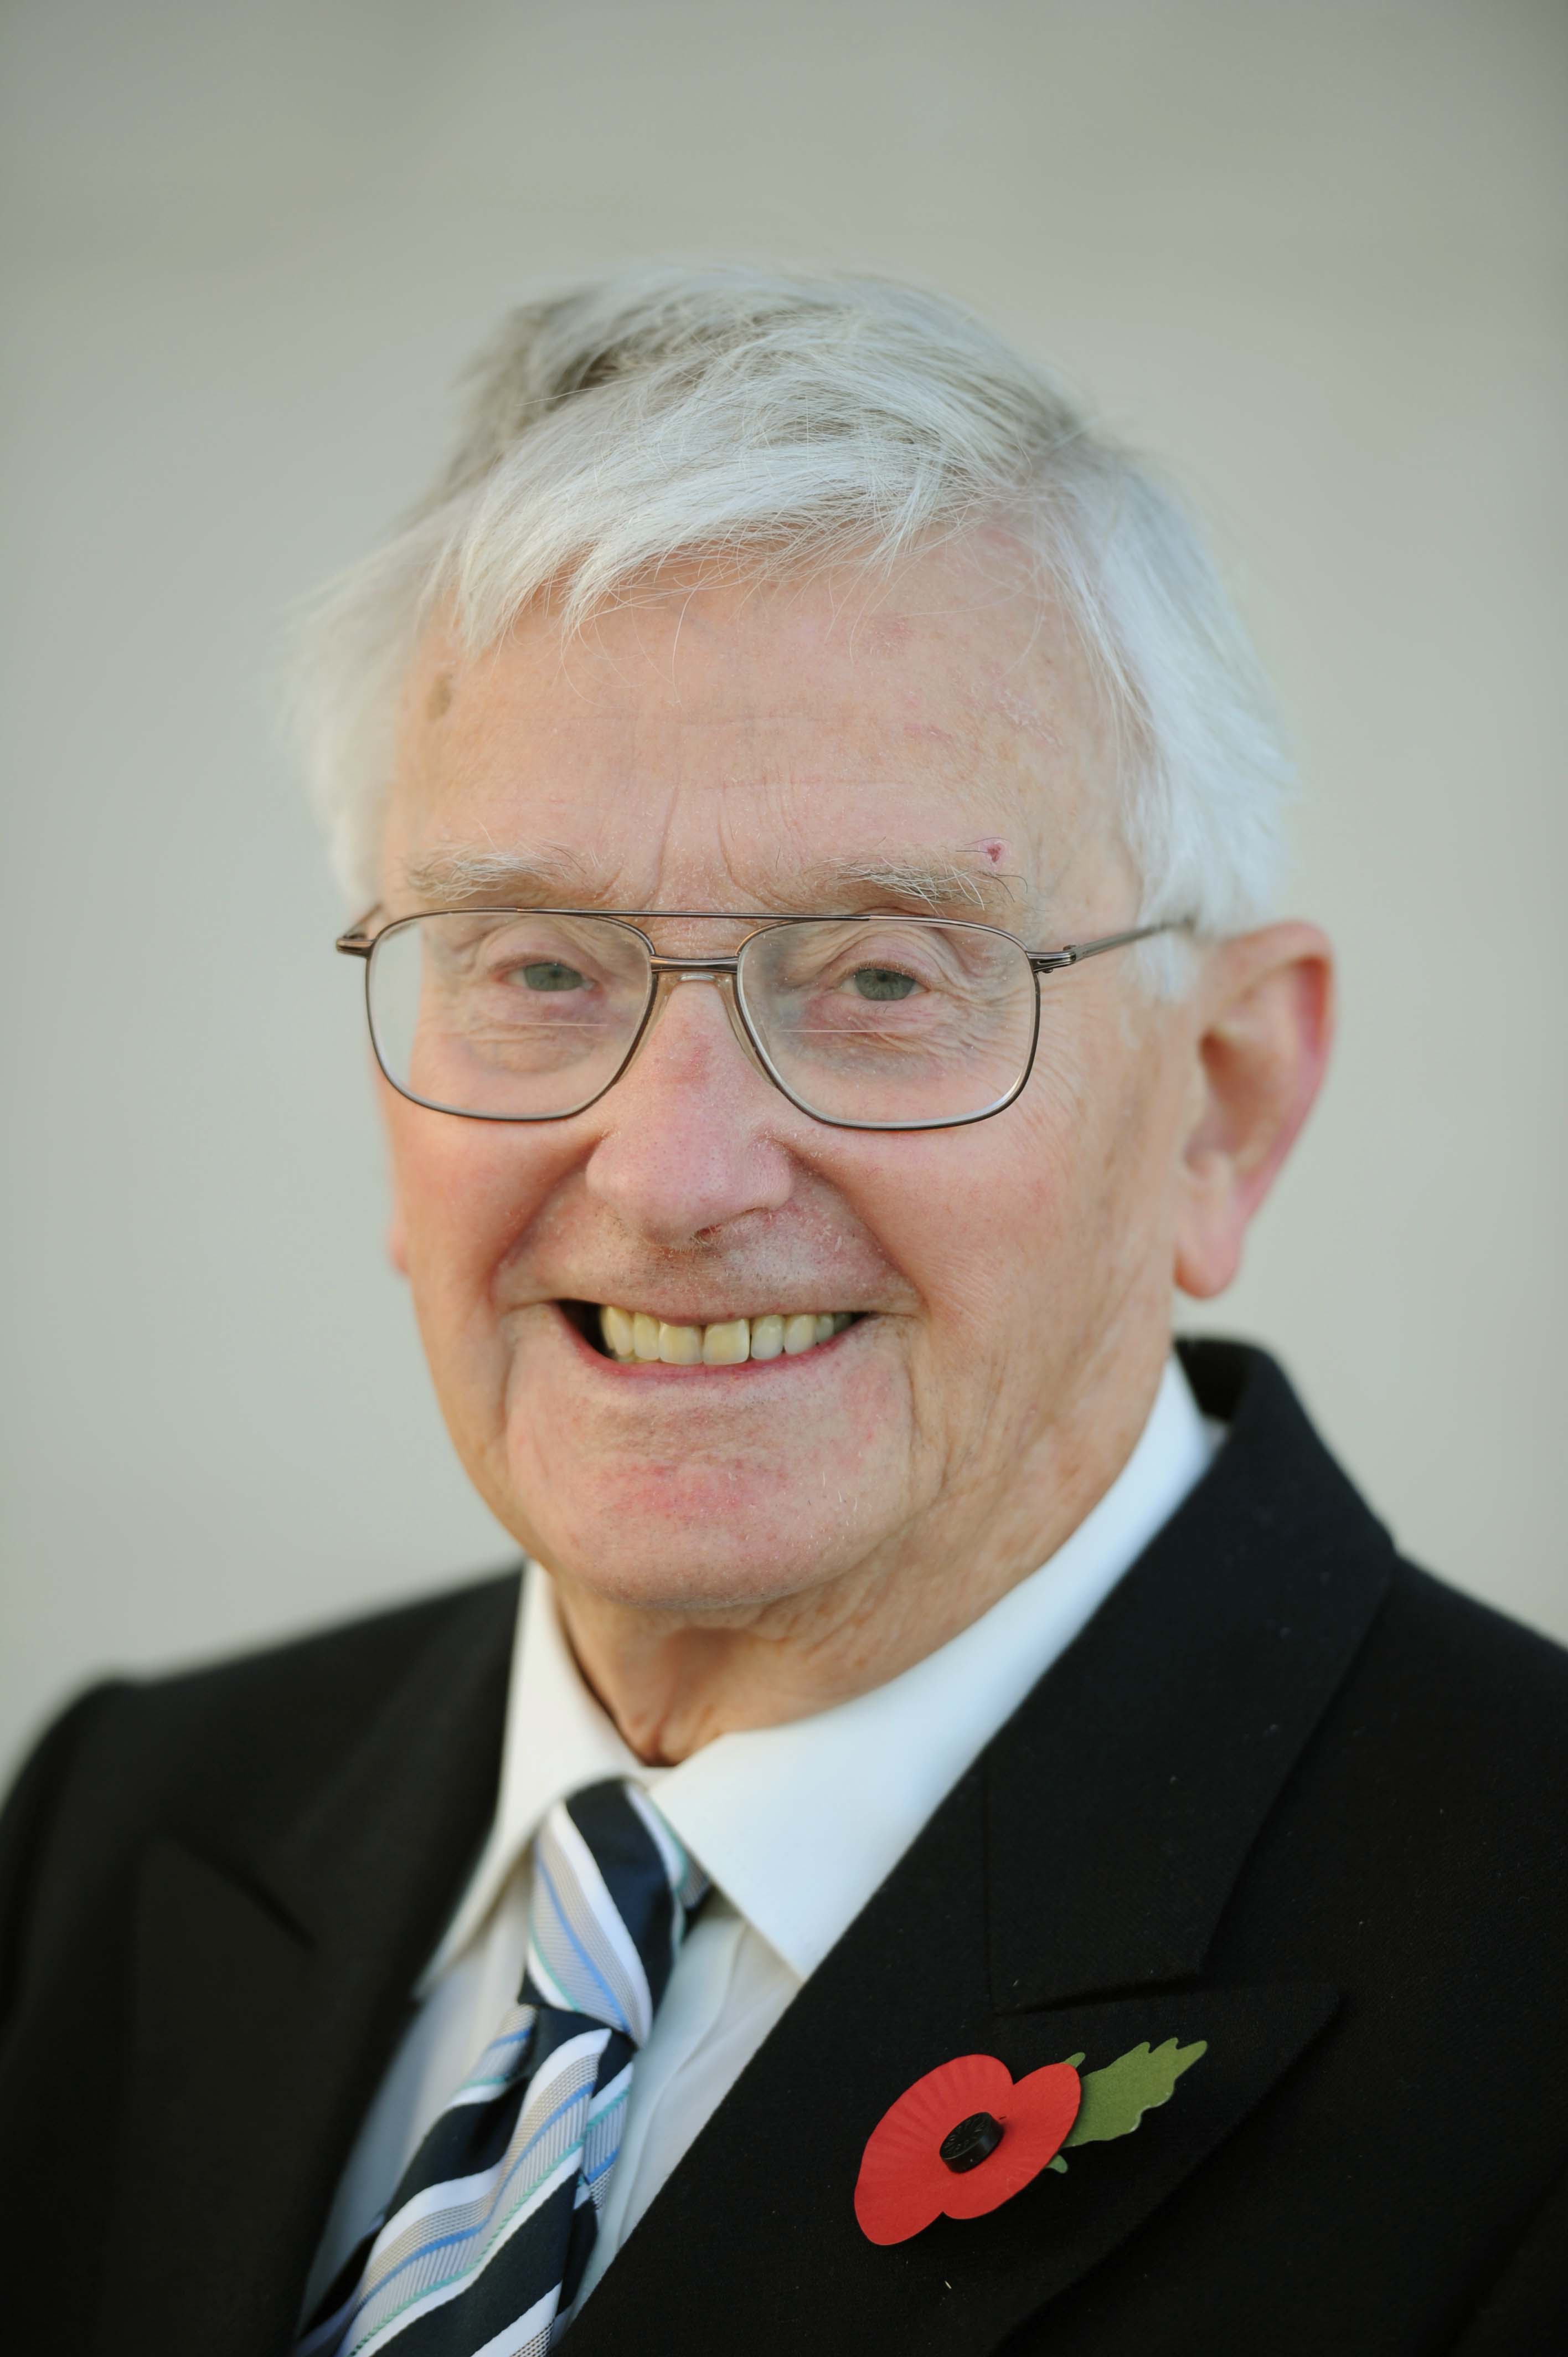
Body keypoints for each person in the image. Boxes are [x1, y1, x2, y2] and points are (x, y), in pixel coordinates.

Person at [1, 268, 1563, 2357]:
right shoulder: (122, 1824)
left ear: (1221, 1106)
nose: (668, 1176)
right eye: (538, 967)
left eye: (889, 977)